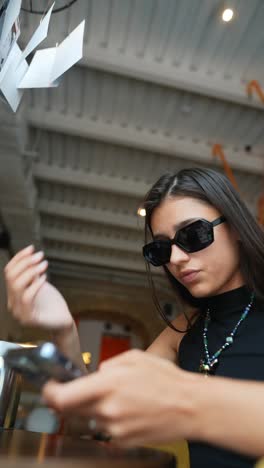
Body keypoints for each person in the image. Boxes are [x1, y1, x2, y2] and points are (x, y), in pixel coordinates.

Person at [4, 168, 264, 468]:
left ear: (236, 228)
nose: (176, 259)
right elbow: (92, 423)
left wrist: (187, 402)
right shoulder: (184, 329)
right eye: (162, 248)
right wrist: (65, 331)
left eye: (193, 235)